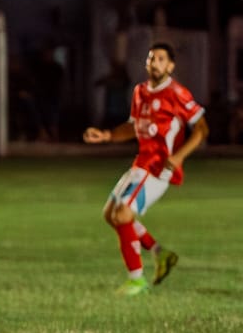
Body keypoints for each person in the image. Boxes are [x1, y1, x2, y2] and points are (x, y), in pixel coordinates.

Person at [81, 42, 208, 296]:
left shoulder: (177, 93)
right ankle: (160, 253)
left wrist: (180, 156)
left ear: (171, 65)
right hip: (141, 164)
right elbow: (132, 127)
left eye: (161, 59)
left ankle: (137, 279)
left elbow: (202, 129)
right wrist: (106, 135)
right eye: (151, 58)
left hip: (159, 168)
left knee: (123, 215)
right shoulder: (140, 91)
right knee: (110, 215)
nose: (155, 63)